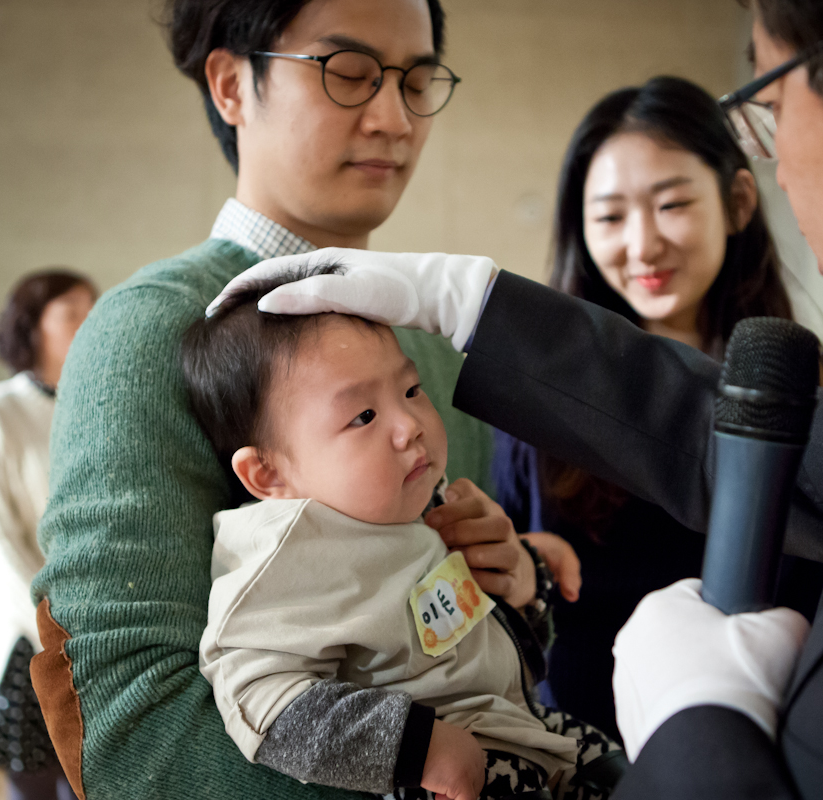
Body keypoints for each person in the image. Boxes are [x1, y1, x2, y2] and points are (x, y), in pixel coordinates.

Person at [225, 0, 823, 793]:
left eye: (773, 109)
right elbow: (748, 445)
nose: (781, 172)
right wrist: (472, 303)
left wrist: (700, 729)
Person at [29, 2, 544, 798]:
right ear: (232, 85)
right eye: (349, 73)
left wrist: (509, 587)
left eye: (416, 81)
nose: (394, 118)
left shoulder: (436, 346)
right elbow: (131, 724)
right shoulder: (149, 332)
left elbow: (461, 653)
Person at [492, 75, 823, 739]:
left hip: (759, 744)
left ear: (738, 201)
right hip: (579, 756)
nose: (642, 245)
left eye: (672, 204)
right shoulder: (539, 401)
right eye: (610, 217)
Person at [184, 267, 622, 800]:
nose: (410, 424)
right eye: (363, 415)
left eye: (411, 390)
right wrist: (416, 748)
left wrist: (528, 574)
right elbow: (259, 697)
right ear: (268, 474)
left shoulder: (416, 500)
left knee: (636, 771)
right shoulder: (290, 552)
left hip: (528, 726)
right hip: (459, 767)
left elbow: (464, 628)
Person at [0, 269, 96, 800]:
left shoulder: (95, 405)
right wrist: (51, 623)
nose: (87, 321)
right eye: (71, 312)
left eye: (91, 309)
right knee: (34, 783)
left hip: (94, 628)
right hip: (26, 633)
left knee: (89, 779)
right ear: (32, 326)